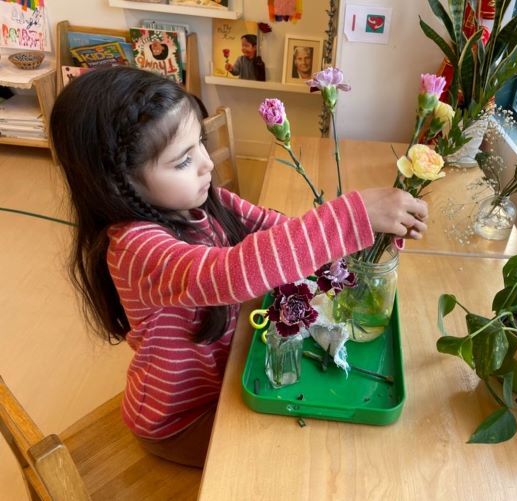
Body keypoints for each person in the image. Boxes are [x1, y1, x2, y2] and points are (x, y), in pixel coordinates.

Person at [49, 66, 428, 468]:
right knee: (284, 462)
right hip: (180, 417)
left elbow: (271, 226)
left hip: (228, 373)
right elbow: (228, 273)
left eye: (201, 144)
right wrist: (352, 216)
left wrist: (355, 251)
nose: (206, 165)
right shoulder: (134, 247)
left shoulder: (200, 200)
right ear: (119, 183)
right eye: (183, 161)